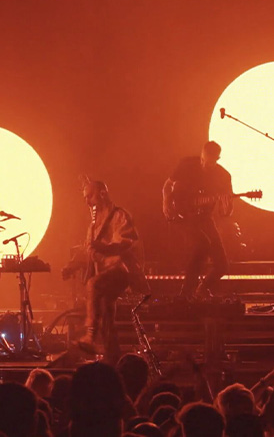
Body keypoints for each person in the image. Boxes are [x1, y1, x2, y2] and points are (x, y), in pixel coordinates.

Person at [62, 177, 145, 361]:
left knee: (93, 284)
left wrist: (103, 248)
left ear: (102, 194)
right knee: (107, 312)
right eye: (85, 197)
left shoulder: (119, 216)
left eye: (90, 196)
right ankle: (113, 355)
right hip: (105, 272)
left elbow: (126, 242)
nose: (87, 201)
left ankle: (90, 336)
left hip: (121, 271)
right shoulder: (93, 226)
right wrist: (71, 266)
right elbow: (87, 250)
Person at [162, 141, 233, 301]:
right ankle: (186, 292)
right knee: (202, 245)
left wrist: (226, 204)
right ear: (201, 154)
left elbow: (225, 213)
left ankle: (201, 289)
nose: (204, 164)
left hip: (205, 218)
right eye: (203, 160)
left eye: (209, 162)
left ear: (218, 158)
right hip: (183, 216)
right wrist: (166, 202)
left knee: (222, 265)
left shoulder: (223, 176)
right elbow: (167, 185)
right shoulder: (187, 164)